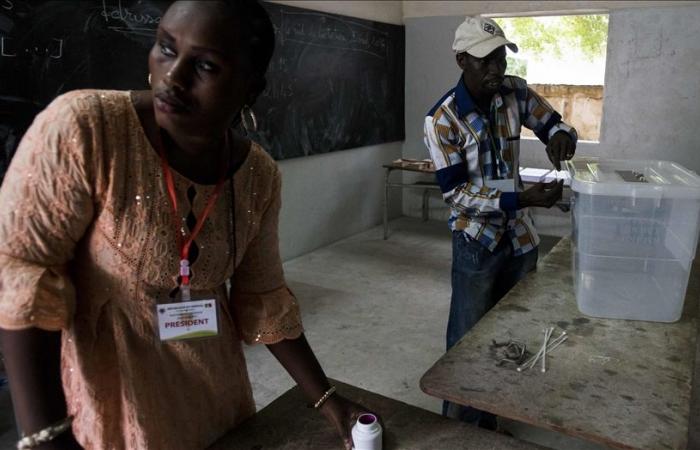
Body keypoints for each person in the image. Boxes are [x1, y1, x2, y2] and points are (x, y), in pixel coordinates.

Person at [0, 1, 377, 449]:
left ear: (249, 88)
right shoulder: (87, 129)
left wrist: (326, 398)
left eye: (205, 65)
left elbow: (263, 296)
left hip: (214, 398)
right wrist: (48, 436)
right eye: (165, 48)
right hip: (112, 406)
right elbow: (22, 273)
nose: (172, 78)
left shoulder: (256, 176)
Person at [423, 16, 577, 428]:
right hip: (476, 241)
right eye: (484, 61)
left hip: (521, 238)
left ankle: (497, 413)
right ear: (461, 61)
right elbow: (456, 194)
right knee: (468, 340)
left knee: (513, 333)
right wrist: (521, 197)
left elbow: (552, 122)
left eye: (500, 59)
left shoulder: (515, 92)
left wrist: (561, 135)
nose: (495, 70)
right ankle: (462, 427)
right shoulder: (443, 119)